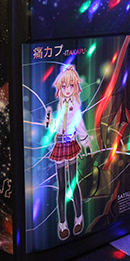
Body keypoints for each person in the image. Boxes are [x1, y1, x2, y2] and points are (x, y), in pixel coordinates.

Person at [46, 65, 91, 240]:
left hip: (71, 143)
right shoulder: (59, 105)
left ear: (75, 86)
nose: (67, 89)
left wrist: (86, 143)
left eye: (70, 85)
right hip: (59, 144)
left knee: (73, 183)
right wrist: (49, 120)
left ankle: (79, 217)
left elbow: (80, 125)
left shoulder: (75, 105)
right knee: (61, 186)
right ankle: (62, 223)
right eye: (64, 86)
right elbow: (54, 127)